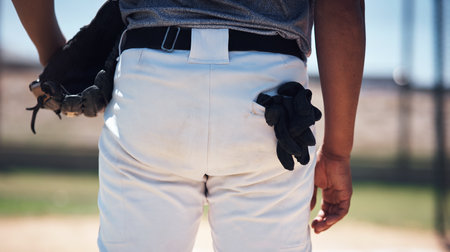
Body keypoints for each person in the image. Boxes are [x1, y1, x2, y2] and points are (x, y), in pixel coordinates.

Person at [12, 0, 365, 251]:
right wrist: (336, 152)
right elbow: (342, 8)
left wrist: (52, 53)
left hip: (152, 83)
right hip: (271, 95)